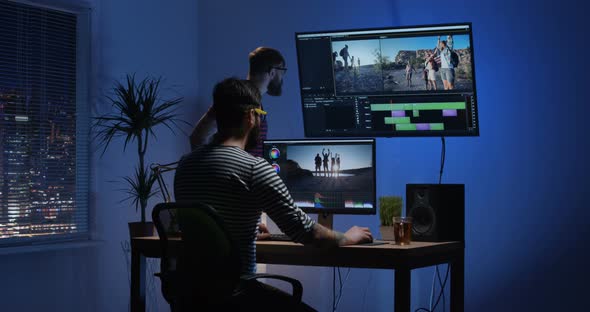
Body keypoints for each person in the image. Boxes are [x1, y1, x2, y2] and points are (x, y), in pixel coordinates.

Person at [175, 78, 372, 311]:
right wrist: (347, 237)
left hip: (188, 295)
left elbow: (196, 141)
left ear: (218, 114)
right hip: (236, 295)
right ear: (251, 116)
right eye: (261, 114)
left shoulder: (186, 165)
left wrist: (239, 228)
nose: (261, 120)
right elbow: (306, 232)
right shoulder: (254, 168)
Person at [189, 47, 287, 157]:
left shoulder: (255, 101)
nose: (283, 77)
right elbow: (197, 138)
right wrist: (212, 168)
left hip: (253, 171)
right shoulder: (234, 98)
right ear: (272, 72)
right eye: (282, 71)